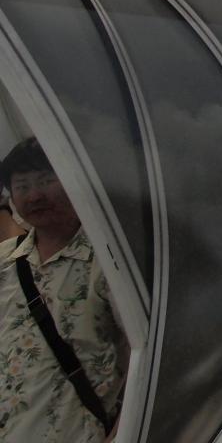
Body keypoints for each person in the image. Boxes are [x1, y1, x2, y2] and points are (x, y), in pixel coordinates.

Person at [0, 138, 128, 442]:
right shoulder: (5, 259)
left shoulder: (109, 260)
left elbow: (150, 354)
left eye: (46, 181)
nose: (35, 195)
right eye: (22, 186)